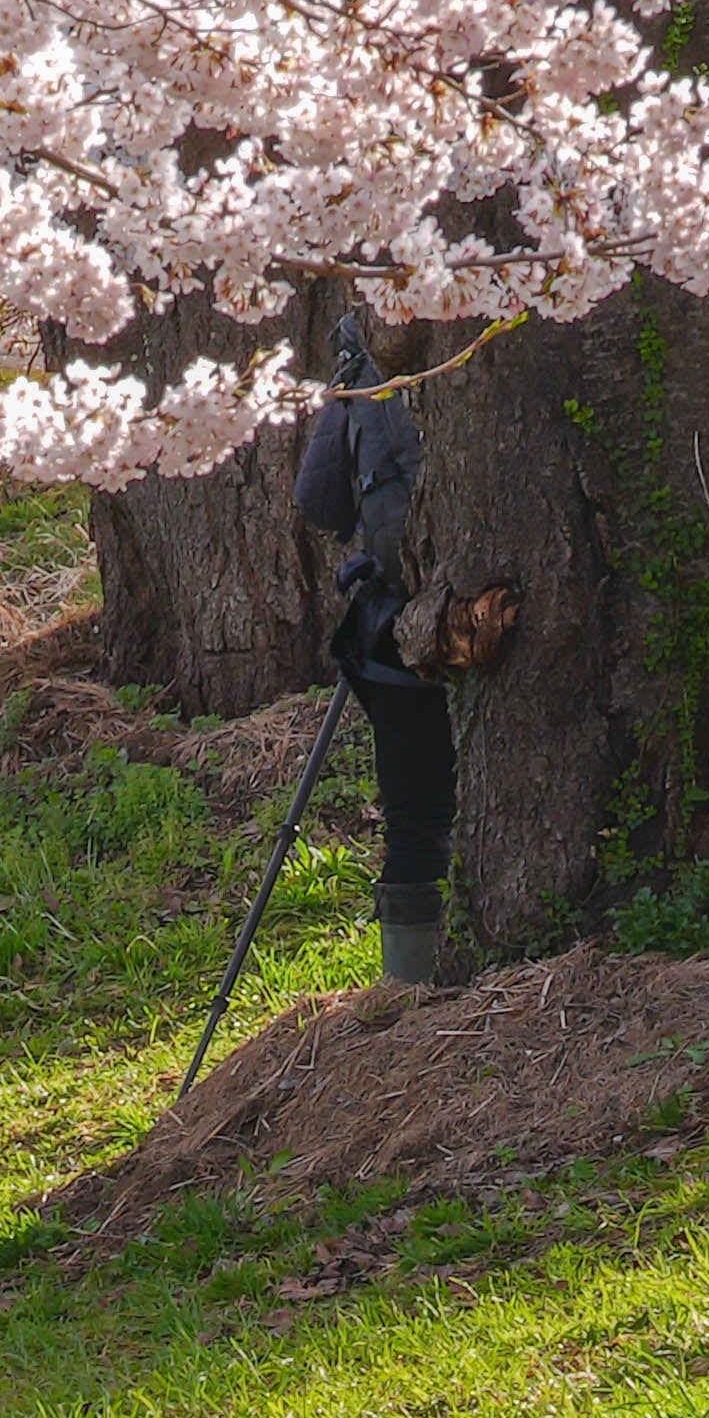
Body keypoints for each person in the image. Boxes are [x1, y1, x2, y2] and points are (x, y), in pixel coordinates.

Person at [287, 310, 520, 991]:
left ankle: (410, 986)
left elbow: (319, 500)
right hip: (499, 611)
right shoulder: (496, 330)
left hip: (395, 624)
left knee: (417, 813)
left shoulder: (363, 365)